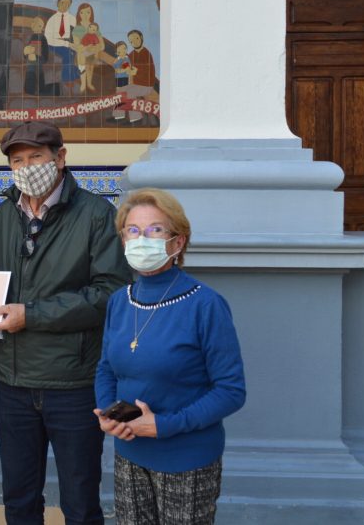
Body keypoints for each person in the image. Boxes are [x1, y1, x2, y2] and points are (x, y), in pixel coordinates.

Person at [0, 121, 132, 525]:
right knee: (18, 499)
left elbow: (110, 292)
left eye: (36, 157)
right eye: (17, 160)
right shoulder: (6, 213)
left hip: (72, 383)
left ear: (60, 157)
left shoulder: (96, 214)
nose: (26, 167)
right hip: (12, 381)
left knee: (80, 501)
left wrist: (31, 314)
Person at [94, 188, 246, 525]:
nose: (141, 240)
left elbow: (231, 391)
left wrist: (164, 425)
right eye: (133, 230)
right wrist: (108, 413)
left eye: (155, 230)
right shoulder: (120, 301)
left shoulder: (205, 304)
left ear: (178, 242)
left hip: (186, 458)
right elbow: (106, 368)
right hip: (130, 452)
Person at [44, 0, 78, 85]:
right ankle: (67, 80)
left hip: (67, 43)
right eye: (63, 3)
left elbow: (72, 36)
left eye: (68, 4)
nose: (65, 6)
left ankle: (74, 75)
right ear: (58, 3)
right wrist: (67, 44)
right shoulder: (52, 19)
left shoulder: (72, 19)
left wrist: (74, 45)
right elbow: (48, 39)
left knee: (76, 53)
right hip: (53, 44)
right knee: (68, 53)